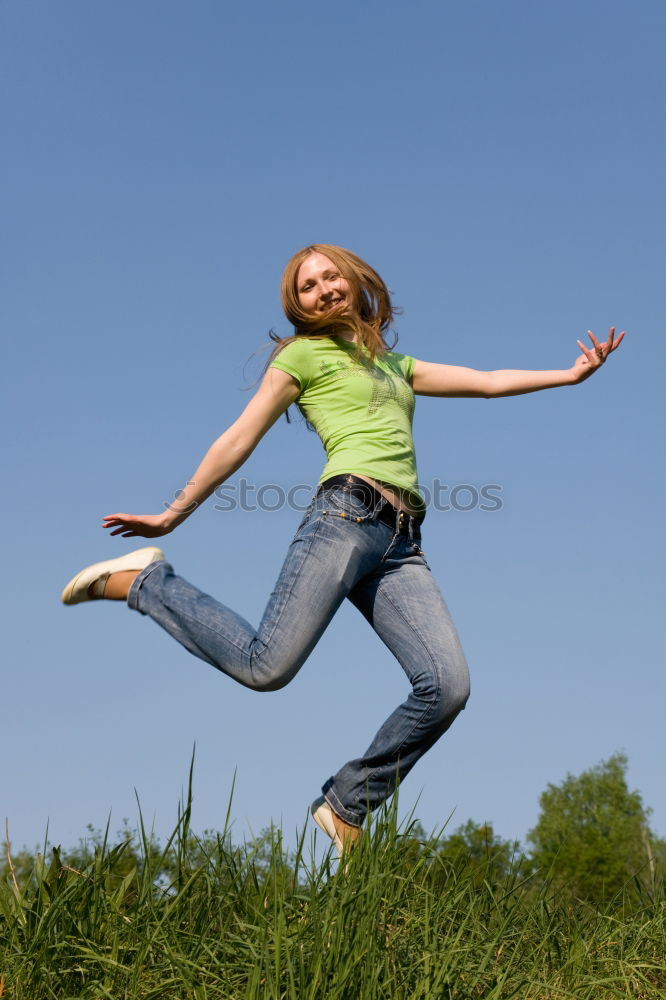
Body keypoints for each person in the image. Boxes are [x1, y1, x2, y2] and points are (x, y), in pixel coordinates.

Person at [61, 244, 624, 857]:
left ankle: (346, 805)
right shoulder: (303, 356)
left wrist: (569, 375)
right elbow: (239, 437)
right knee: (266, 668)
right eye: (308, 286)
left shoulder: (393, 364)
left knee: (446, 685)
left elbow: (487, 383)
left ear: (356, 283)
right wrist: (174, 513)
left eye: (332, 276)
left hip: (402, 543)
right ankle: (146, 583)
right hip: (346, 518)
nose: (324, 288)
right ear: (297, 305)